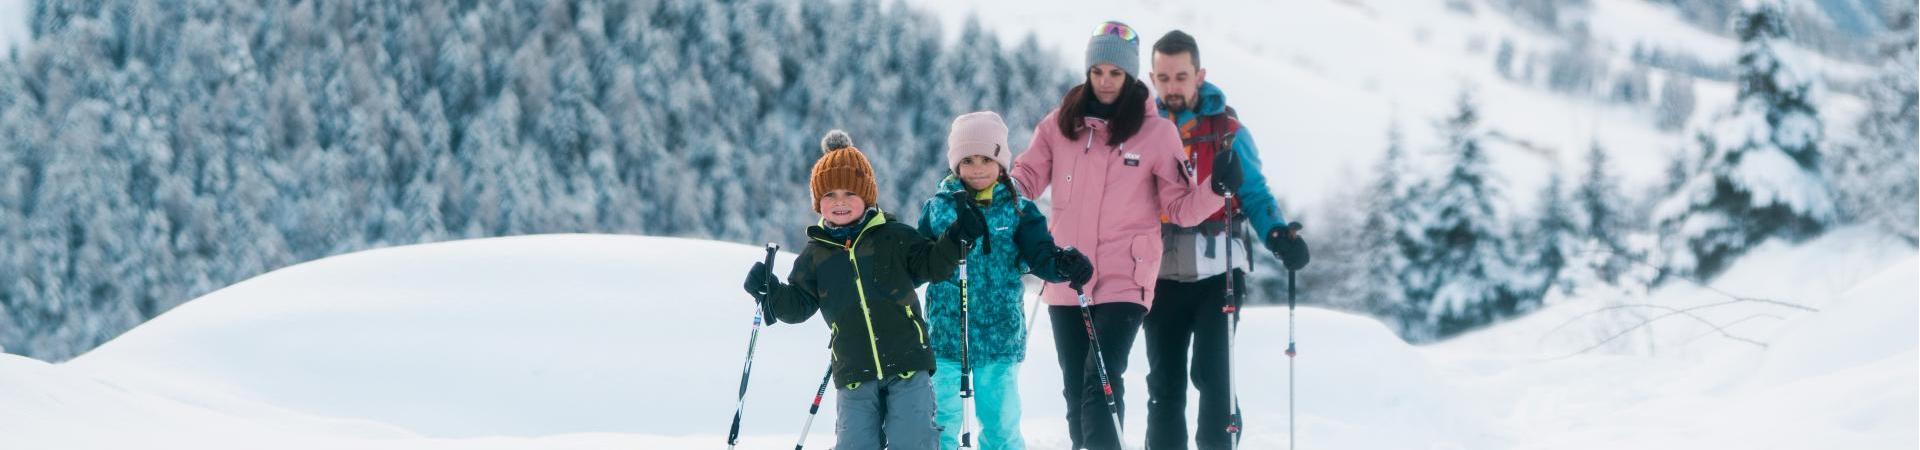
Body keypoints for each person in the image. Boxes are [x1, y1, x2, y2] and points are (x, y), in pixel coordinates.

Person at [1009, 21, 1228, 450]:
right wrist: (994, 186)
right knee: (1076, 390)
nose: (1106, 81)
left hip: (1125, 279)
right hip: (1066, 275)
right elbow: (1027, 177)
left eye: (1116, 73)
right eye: (1098, 71)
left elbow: (1181, 208)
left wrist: (1216, 189)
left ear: (1130, 76)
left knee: (1101, 380)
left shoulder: (1157, 133)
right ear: (1088, 72)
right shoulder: (1059, 126)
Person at [743, 130, 985, 450]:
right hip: (854, 371)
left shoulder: (893, 236)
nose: (839, 202)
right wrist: (770, 291)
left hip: (907, 362)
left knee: (913, 440)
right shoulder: (816, 255)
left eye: (849, 193)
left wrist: (957, 238)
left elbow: (932, 264)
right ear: (819, 202)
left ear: (867, 196)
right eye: (829, 195)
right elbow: (797, 306)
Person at [1141, 30, 1311, 450]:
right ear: (1151, 77)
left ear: (1200, 75)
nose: (1171, 87)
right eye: (1163, 78)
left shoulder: (1229, 131)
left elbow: (1253, 192)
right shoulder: (1143, 131)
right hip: (1159, 273)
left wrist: (1277, 234)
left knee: (1215, 376)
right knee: (1165, 384)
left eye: (1180, 76)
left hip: (1219, 274)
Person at [918, 111, 1095, 450]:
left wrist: (1063, 264)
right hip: (945, 338)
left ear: (1000, 161)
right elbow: (918, 262)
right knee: (940, 425)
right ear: (955, 165)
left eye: (986, 159)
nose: (977, 169)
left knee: (1001, 426)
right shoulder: (939, 209)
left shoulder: (1018, 211)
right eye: (967, 160)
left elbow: (1041, 255)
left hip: (998, 337)